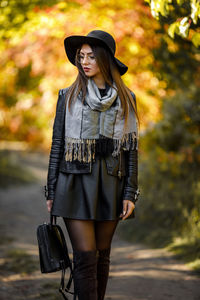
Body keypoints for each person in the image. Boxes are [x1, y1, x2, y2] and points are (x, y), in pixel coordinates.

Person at [45, 30, 140, 300]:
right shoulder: (68, 95)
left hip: (111, 183)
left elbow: (131, 150)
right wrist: (51, 190)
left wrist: (130, 192)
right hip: (73, 182)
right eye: (81, 56)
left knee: (101, 258)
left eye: (90, 56)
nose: (84, 62)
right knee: (85, 258)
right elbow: (57, 144)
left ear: (105, 59)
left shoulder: (126, 98)